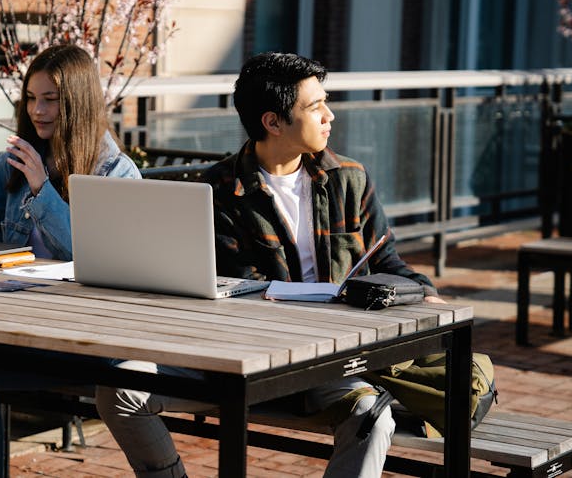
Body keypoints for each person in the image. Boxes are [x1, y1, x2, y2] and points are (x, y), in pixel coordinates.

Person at [95, 51, 447, 478]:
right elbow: (244, 289)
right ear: (273, 122)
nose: (329, 116)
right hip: (237, 356)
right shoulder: (219, 191)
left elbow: (385, 257)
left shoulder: (349, 178)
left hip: (327, 359)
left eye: (325, 102)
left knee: (373, 417)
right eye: (315, 107)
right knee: (120, 388)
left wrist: (423, 290)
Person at [0, 44, 141, 478]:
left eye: (50, 99)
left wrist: (41, 190)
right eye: (31, 98)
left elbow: (100, 260)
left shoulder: (116, 173)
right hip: (14, 321)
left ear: (78, 103)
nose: (37, 110)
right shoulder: (14, 162)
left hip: (83, 336)